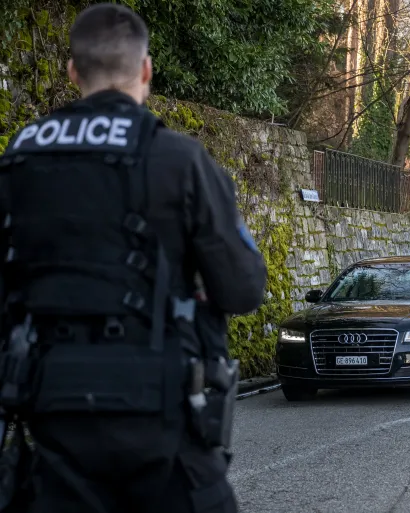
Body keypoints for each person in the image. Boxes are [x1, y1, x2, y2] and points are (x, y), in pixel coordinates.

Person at [0, 4, 267, 513]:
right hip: (163, 423)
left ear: (73, 71)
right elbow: (243, 289)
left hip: (51, 419)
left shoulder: (18, 160)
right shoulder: (179, 159)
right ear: (145, 70)